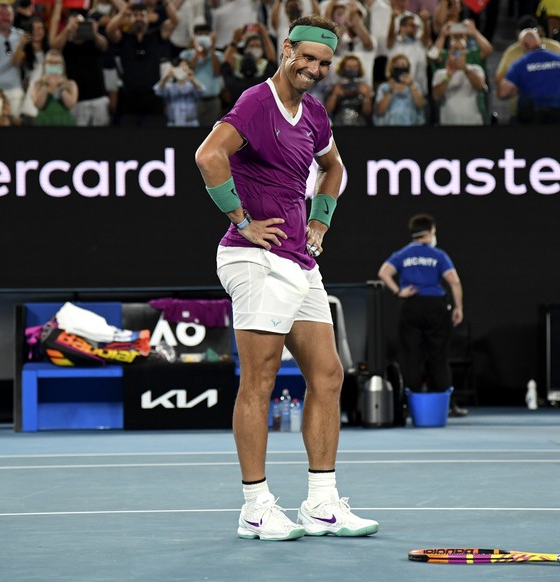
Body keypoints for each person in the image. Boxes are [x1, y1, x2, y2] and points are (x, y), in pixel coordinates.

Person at [194, 15, 379, 541]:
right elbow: (209, 156)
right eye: (309, 58)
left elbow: (334, 168)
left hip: (300, 260)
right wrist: (242, 221)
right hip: (254, 259)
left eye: (324, 63)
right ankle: (255, 507)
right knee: (261, 380)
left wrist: (320, 218)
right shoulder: (256, 102)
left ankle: (321, 504)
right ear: (286, 49)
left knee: (327, 375)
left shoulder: (316, 113)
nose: (315, 69)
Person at [377, 214, 466, 417]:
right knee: (438, 356)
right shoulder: (439, 255)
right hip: (435, 307)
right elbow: (455, 282)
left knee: (411, 357)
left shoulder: (402, 254)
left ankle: (411, 407)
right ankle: (444, 406)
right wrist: (458, 307)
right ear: (429, 233)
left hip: (411, 306)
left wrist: (398, 291)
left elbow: (383, 272)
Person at [105, 0, 180, 127]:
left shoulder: (157, 35)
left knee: (155, 138)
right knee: (127, 138)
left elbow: (175, 21)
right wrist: (122, 13)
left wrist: (166, 3)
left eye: (142, 15)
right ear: (130, 18)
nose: (139, 18)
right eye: (135, 15)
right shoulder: (124, 38)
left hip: (153, 97)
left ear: (148, 18)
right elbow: (110, 30)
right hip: (129, 97)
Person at [497, 27, 560, 124]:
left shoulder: (520, 64)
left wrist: (515, 91)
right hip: (557, 112)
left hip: (530, 114)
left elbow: (503, 92)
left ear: (525, 45)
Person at [51, 7, 111, 127]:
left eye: (80, 23)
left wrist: (94, 33)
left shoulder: (92, 40)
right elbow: (54, 48)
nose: (77, 27)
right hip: (76, 99)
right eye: (75, 24)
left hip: (97, 97)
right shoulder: (65, 43)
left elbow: (104, 46)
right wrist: (67, 29)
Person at [429, 28, 487, 126]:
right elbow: (435, 95)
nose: (458, 52)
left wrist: (465, 69)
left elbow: (480, 86)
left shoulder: (476, 69)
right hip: (449, 123)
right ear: (449, 52)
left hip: (473, 122)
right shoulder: (440, 74)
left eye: (462, 49)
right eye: (455, 49)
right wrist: (448, 76)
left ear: (466, 51)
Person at [220, 23, 279, 110]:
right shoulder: (264, 83)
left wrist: (234, 40)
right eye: (252, 46)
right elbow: (272, 61)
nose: (255, 48)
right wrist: (265, 35)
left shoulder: (233, 83)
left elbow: (225, 64)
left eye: (257, 46)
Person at [180, 23, 225, 127]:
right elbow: (188, 71)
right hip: (193, 101)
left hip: (213, 101)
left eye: (206, 34)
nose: (203, 37)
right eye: (200, 34)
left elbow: (217, 71)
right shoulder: (187, 54)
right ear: (195, 37)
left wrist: (212, 48)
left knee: (212, 133)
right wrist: (198, 50)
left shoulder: (218, 55)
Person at [372, 53, 426, 125]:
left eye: (403, 65)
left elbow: (420, 105)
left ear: (407, 68)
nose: (400, 68)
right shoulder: (383, 87)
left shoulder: (415, 85)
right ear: (391, 68)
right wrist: (390, 91)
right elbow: (380, 111)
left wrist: (410, 86)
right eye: (397, 65)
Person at [30, 49, 78, 126]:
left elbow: (70, 105)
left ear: (62, 66)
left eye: (57, 63)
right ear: (45, 65)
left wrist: (60, 87)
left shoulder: (71, 84)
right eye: (50, 62)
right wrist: (46, 85)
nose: (53, 65)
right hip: (44, 120)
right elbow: (39, 105)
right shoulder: (37, 84)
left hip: (64, 121)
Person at [324, 53, 373, 126]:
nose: (352, 69)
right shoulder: (336, 86)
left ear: (359, 68)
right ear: (343, 68)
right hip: (339, 125)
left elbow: (367, 112)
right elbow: (327, 111)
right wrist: (334, 95)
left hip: (360, 126)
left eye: (354, 66)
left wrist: (366, 96)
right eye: (349, 66)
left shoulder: (364, 87)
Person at [153, 56, 203, 126]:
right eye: (180, 67)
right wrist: (165, 77)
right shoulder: (170, 86)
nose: (182, 70)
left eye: (185, 67)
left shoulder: (192, 85)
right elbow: (158, 91)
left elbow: (201, 92)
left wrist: (192, 79)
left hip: (191, 123)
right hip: (173, 123)